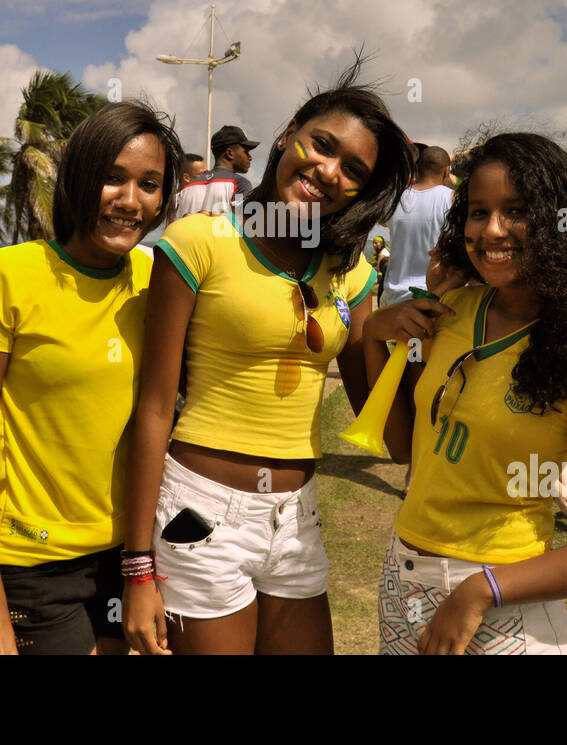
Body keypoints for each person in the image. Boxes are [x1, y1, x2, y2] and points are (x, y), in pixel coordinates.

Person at [122, 58, 415, 655]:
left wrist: (402, 335)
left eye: (353, 169)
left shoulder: (352, 273)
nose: (328, 171)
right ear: (288, 135)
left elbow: (394, 436)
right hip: (200, 514)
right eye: (322, 145)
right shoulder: (199, 241)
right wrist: (137, 567)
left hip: (297, 519)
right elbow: (153, 407)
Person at [367, 133, 567, 655]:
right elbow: (403, 448)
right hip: (403, 579)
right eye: (479, 212)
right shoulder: (452, 312)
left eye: (517, 211)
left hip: (505, 600)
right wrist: (374, 334)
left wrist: (482, 590)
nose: (492, 229)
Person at [0, 101, 184, 655]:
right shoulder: (10, 274)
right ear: (78, 179)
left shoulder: (157, 281)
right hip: (31, 564)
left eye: (149, 184)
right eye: (112, 178)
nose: (130, 201)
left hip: (126, 557)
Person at [383, 145, 455, 305]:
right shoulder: (451, 199)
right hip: (436, 295)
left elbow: (384, 221)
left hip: (394, 297)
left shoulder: (394, 198)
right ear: (446, 171)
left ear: (416, 169)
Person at [177, 124, 258, 217]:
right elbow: (241, 222)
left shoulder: (186, 189)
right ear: (230, 153)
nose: (250, 157)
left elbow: (175, 223)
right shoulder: (240, 184)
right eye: (246, 152)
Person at [370, 235, 391, 305]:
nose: (374, 245)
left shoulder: (382, 254)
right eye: (373, 243)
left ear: (381, 244)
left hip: (386, 277)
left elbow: (378, 268)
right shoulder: (384, 251)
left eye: (376, 243)